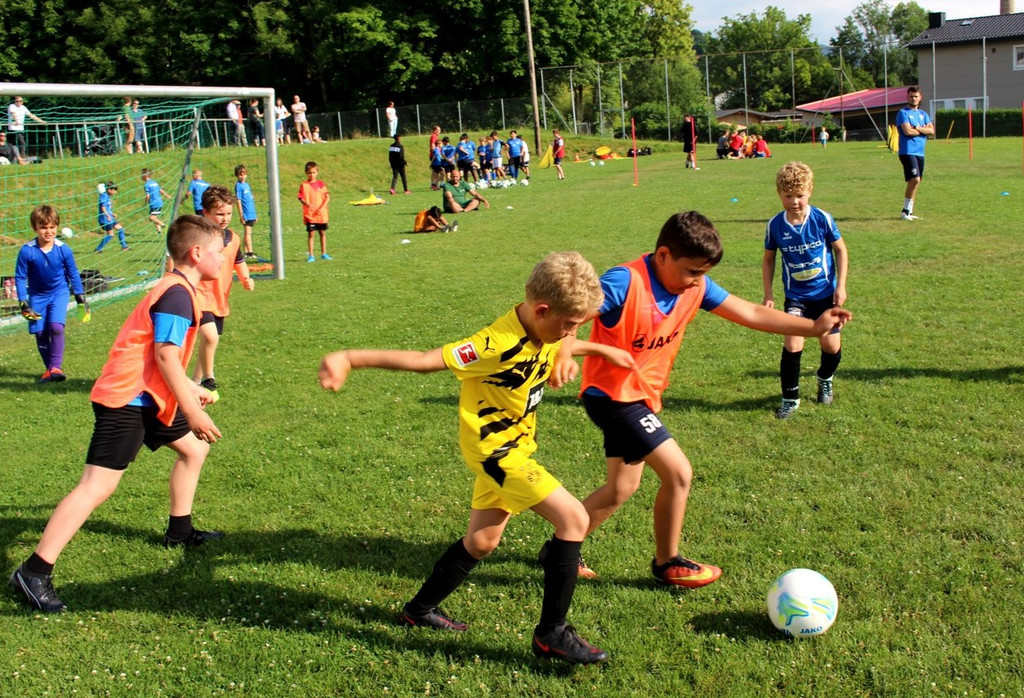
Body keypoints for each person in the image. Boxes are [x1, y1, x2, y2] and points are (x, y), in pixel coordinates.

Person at [318, 251, 636, 664]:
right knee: (573, 518)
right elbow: (424, 362)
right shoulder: (494, 343)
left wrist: (591, 351)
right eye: (569, 326)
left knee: (482, 542)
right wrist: (348, 357)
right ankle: (551, 634)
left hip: (516, 447)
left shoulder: (544, 329)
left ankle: (418, 610)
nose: (571, 333)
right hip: (496, 453)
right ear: (542, 310)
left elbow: (562, 340)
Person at [550, 211, 852, 586]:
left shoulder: (696, 287)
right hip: (611, 397)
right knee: (679, 473)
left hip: (641, 397)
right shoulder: (624, 282)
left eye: (702, 273)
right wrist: (564, 351)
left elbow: (752, 313)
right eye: (692, 271)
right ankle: (667, 562)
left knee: (621, 488)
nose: (697, 281)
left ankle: (561, 548)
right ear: (663, 255)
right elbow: (572, 313)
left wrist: (812, 327)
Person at [8, 215, 225, 614]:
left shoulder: (180, 289)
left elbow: (161, 358)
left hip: (150, 398)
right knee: (97, 486)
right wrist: (192, 409)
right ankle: (34, 572)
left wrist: (190, 391)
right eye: (218, 252)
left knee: (194, 450)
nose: (223, 258)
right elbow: (164, 356)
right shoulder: (177, 294)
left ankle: (179, 532)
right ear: (197, 253)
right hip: (127, 401)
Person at [762, 162, 849, 419]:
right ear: (779, 194)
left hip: (825, 295)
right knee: (792, 343)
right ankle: (791, 398)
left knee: (831, 347)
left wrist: (840, 286)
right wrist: (768, 294)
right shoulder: (775, 225)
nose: (795, 201)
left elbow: (841, 250)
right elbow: (768, 259)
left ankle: (825, 378)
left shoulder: (822, 218)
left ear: (810, 191)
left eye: (800, 195)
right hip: (795, 298)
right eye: (788, 196)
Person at [191, 186, 256, 400]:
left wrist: (246, 277)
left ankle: (194, 382)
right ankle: (209, 380)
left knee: (210, 342)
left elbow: (238, 260)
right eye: (219, 214)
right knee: (209, 337)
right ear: (205, 212)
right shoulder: (197, 236)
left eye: (228, 213)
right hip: (199, 296)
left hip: (220, 298)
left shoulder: (233, 238)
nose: (225, 218)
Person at [15, 205, 89, 383]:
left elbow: (72, 273)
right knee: (40, 333)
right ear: (35, 228)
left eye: (52, 227)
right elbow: (20, 276)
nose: (48, 232)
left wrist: (80, 296)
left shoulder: (64, 249)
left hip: (59, 293)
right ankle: (50, 370)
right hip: (37, 296)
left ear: (57, 227)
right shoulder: (27, 251)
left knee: (56, 327)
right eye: (43, 227)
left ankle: (56, 366)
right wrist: (23, 302)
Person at [896, 86, 934, 221]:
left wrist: (917, 128)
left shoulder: (923, 114)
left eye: (916, 96)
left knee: (916, 182)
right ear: (907, 97)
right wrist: (923, 130)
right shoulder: (903, 113)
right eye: (911, 96)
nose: (914, 99)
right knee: (915, 179)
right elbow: (907, 131)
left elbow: (932, 131)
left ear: (920, 98)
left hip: (920, 152)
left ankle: (909, 212)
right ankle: (905, 211)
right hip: (907, 151)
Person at [298, 160, 331, 262]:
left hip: (321, 215)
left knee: (322, 233)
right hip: (311, 215)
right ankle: (311, 255)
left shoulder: (321, 184)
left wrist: (321, 208)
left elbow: (327, 197)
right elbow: (300, 197)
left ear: (317, 172)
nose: (311, 175)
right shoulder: (304, 185)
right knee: (311, 234)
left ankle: (324, 253)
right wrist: (307, 204)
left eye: (313, 172)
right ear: (306, 173)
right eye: (309, 173)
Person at [94, 182, 129, 252]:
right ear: (109, 189)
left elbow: (107, 208)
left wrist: (112, 214)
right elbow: (103, 207)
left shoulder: (107, 196)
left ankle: (125, 247)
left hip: (110, 218)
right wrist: (107, 216)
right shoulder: (104, 196)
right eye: (114, 189)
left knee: (121, 229)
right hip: (105, 220)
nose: (115, 191)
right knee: (110, 234)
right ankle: (98, 249)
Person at [234, 165, 259, 259]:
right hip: (246, 213)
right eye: (240, 175)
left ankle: (246, 252)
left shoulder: (247, 185)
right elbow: (239, 200)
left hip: (251, 212)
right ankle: (250, 252)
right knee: (248, 233)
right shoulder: (238, 186)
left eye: (244, 174)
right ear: (237, 175)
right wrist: (241, 215)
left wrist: (255, 214)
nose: (242, 176)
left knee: (248, 232)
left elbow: (251, 201)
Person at [141, 168, 169, 234]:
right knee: (154, 217)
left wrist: (145, 203)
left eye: (141, 175)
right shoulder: (154, 182)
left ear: (145, 176)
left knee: (151, 218)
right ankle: (159, 231)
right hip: (159, 202)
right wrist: (167, 195)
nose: (141, 176)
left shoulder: (146, 185)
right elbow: (161, 190)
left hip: (154, 203)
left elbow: (148, 196)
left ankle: (164, 225)